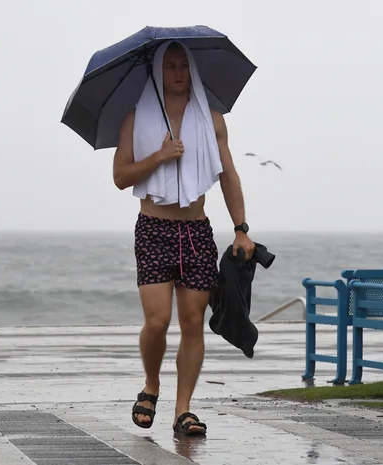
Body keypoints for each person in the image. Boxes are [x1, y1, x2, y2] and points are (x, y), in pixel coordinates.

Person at [112, 41, 255, 435]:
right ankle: (151, 386)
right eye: (169, 65)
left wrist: (241, 229)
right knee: (157, 322)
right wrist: (158, 157)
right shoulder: (135, 118)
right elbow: (121, 177)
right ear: (157, 71)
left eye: (183, 65)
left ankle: (183, 409)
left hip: (195, 231)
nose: (177, 72)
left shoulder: (211, 120)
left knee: (192, 322)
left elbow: (228, 175)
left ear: (192, 70)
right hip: (154, 229)